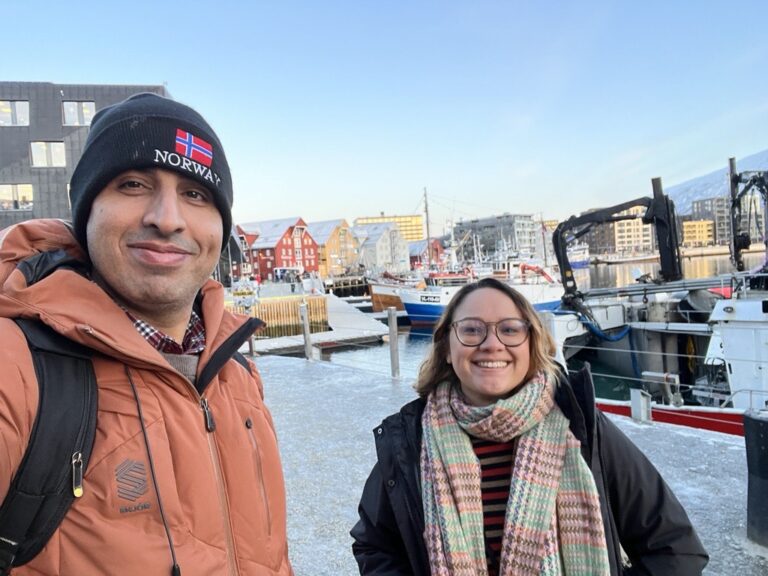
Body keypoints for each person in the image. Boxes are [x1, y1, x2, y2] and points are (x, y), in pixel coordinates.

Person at [0, 93, 292, 574]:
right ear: (87, 211)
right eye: (133, 184)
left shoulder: (238, 376)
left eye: (195, 194)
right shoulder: (18, 366)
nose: (168, 218)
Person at [351, 277, 708, 575]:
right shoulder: (412, 439)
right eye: (471, 330)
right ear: (446, 347)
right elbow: (376, 545)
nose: (492, 344)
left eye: (510, 329)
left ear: (532, 342)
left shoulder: (579, 425)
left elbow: (674, 547)